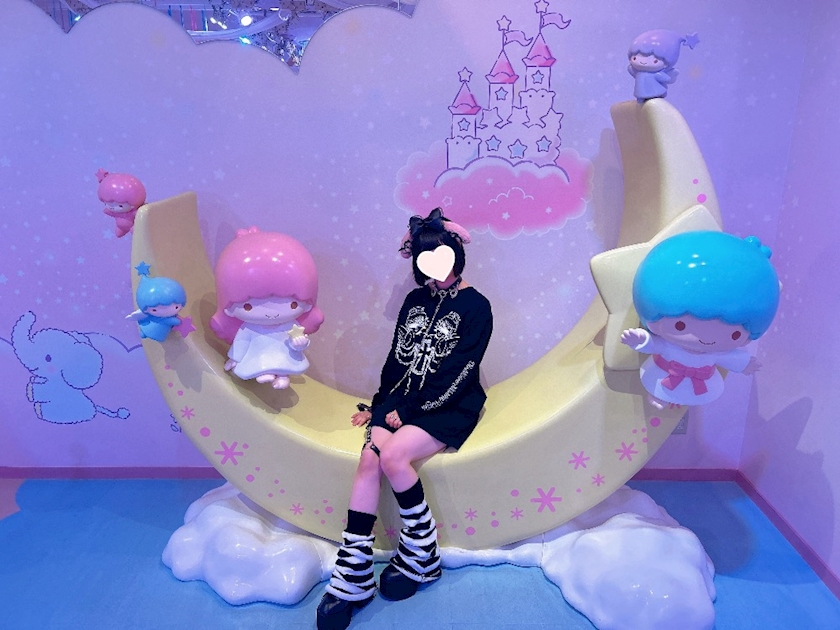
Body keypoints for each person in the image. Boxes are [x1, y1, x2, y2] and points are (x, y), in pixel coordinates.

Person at [317, 208, 493, 630]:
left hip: (450, 405)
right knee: (369, 459)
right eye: (424, 259)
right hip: (400, 401)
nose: (435, 268)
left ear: (456, 255)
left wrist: (408, 411)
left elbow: (461, 372)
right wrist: (380, 406)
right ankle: (354, 573)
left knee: (394, 457)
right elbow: (397, 359)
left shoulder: (477, 306)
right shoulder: (415, 300)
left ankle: (422, 553)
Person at [621, 231, 780, 408]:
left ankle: (674, 399)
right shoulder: (667, 345)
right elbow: (653, 344)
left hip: (702, 385)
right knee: (659, 389)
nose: (706, 339)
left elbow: (731, 359)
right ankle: (661, 397)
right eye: (680, 326)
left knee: (690, 398)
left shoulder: (717, 353)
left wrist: (745, 365)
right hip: (663, 377)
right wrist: (640, 339)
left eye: (734, 334)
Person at [210, 227, 323, 390]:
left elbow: (296, 344)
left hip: (284, 357)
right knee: (257, 364)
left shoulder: (291, 326)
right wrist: (234, 359)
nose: (271, 314)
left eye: (292, 304)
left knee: (286, 363)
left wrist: (300, 343)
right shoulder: (248, 329)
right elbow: (241, 344)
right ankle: (264, 372)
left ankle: (282, 376)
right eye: (248, 306)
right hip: (257, 357)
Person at [627, 30, 698, 102]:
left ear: (666, 63)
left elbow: (666, 78)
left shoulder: (657, 74)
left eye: (655, 61)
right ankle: (640, 100)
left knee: (655, 101)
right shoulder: (639, 73)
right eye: (635, 58)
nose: (643, 62)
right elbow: (632, 71)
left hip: (655, 92)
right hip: (640, 92)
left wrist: (668, 77)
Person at [126, 264, 187, 342]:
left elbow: (175, 321)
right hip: (154, 326)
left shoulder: (166, 318)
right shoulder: (165, 319)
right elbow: (175, 321)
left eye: (176, 307)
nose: (165, 311)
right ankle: (144, 333)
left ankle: (144, 333)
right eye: (154, 310)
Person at [96, 169, 146, 238]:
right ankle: (122, 230)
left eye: (120, 206)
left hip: (132, 225)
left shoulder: (133, 212)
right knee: (118, 233)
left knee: (135, 232)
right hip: (119, 227)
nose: (112, 207)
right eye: (107, 204)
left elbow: (140, 214)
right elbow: (107, 211)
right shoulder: (114, 212)